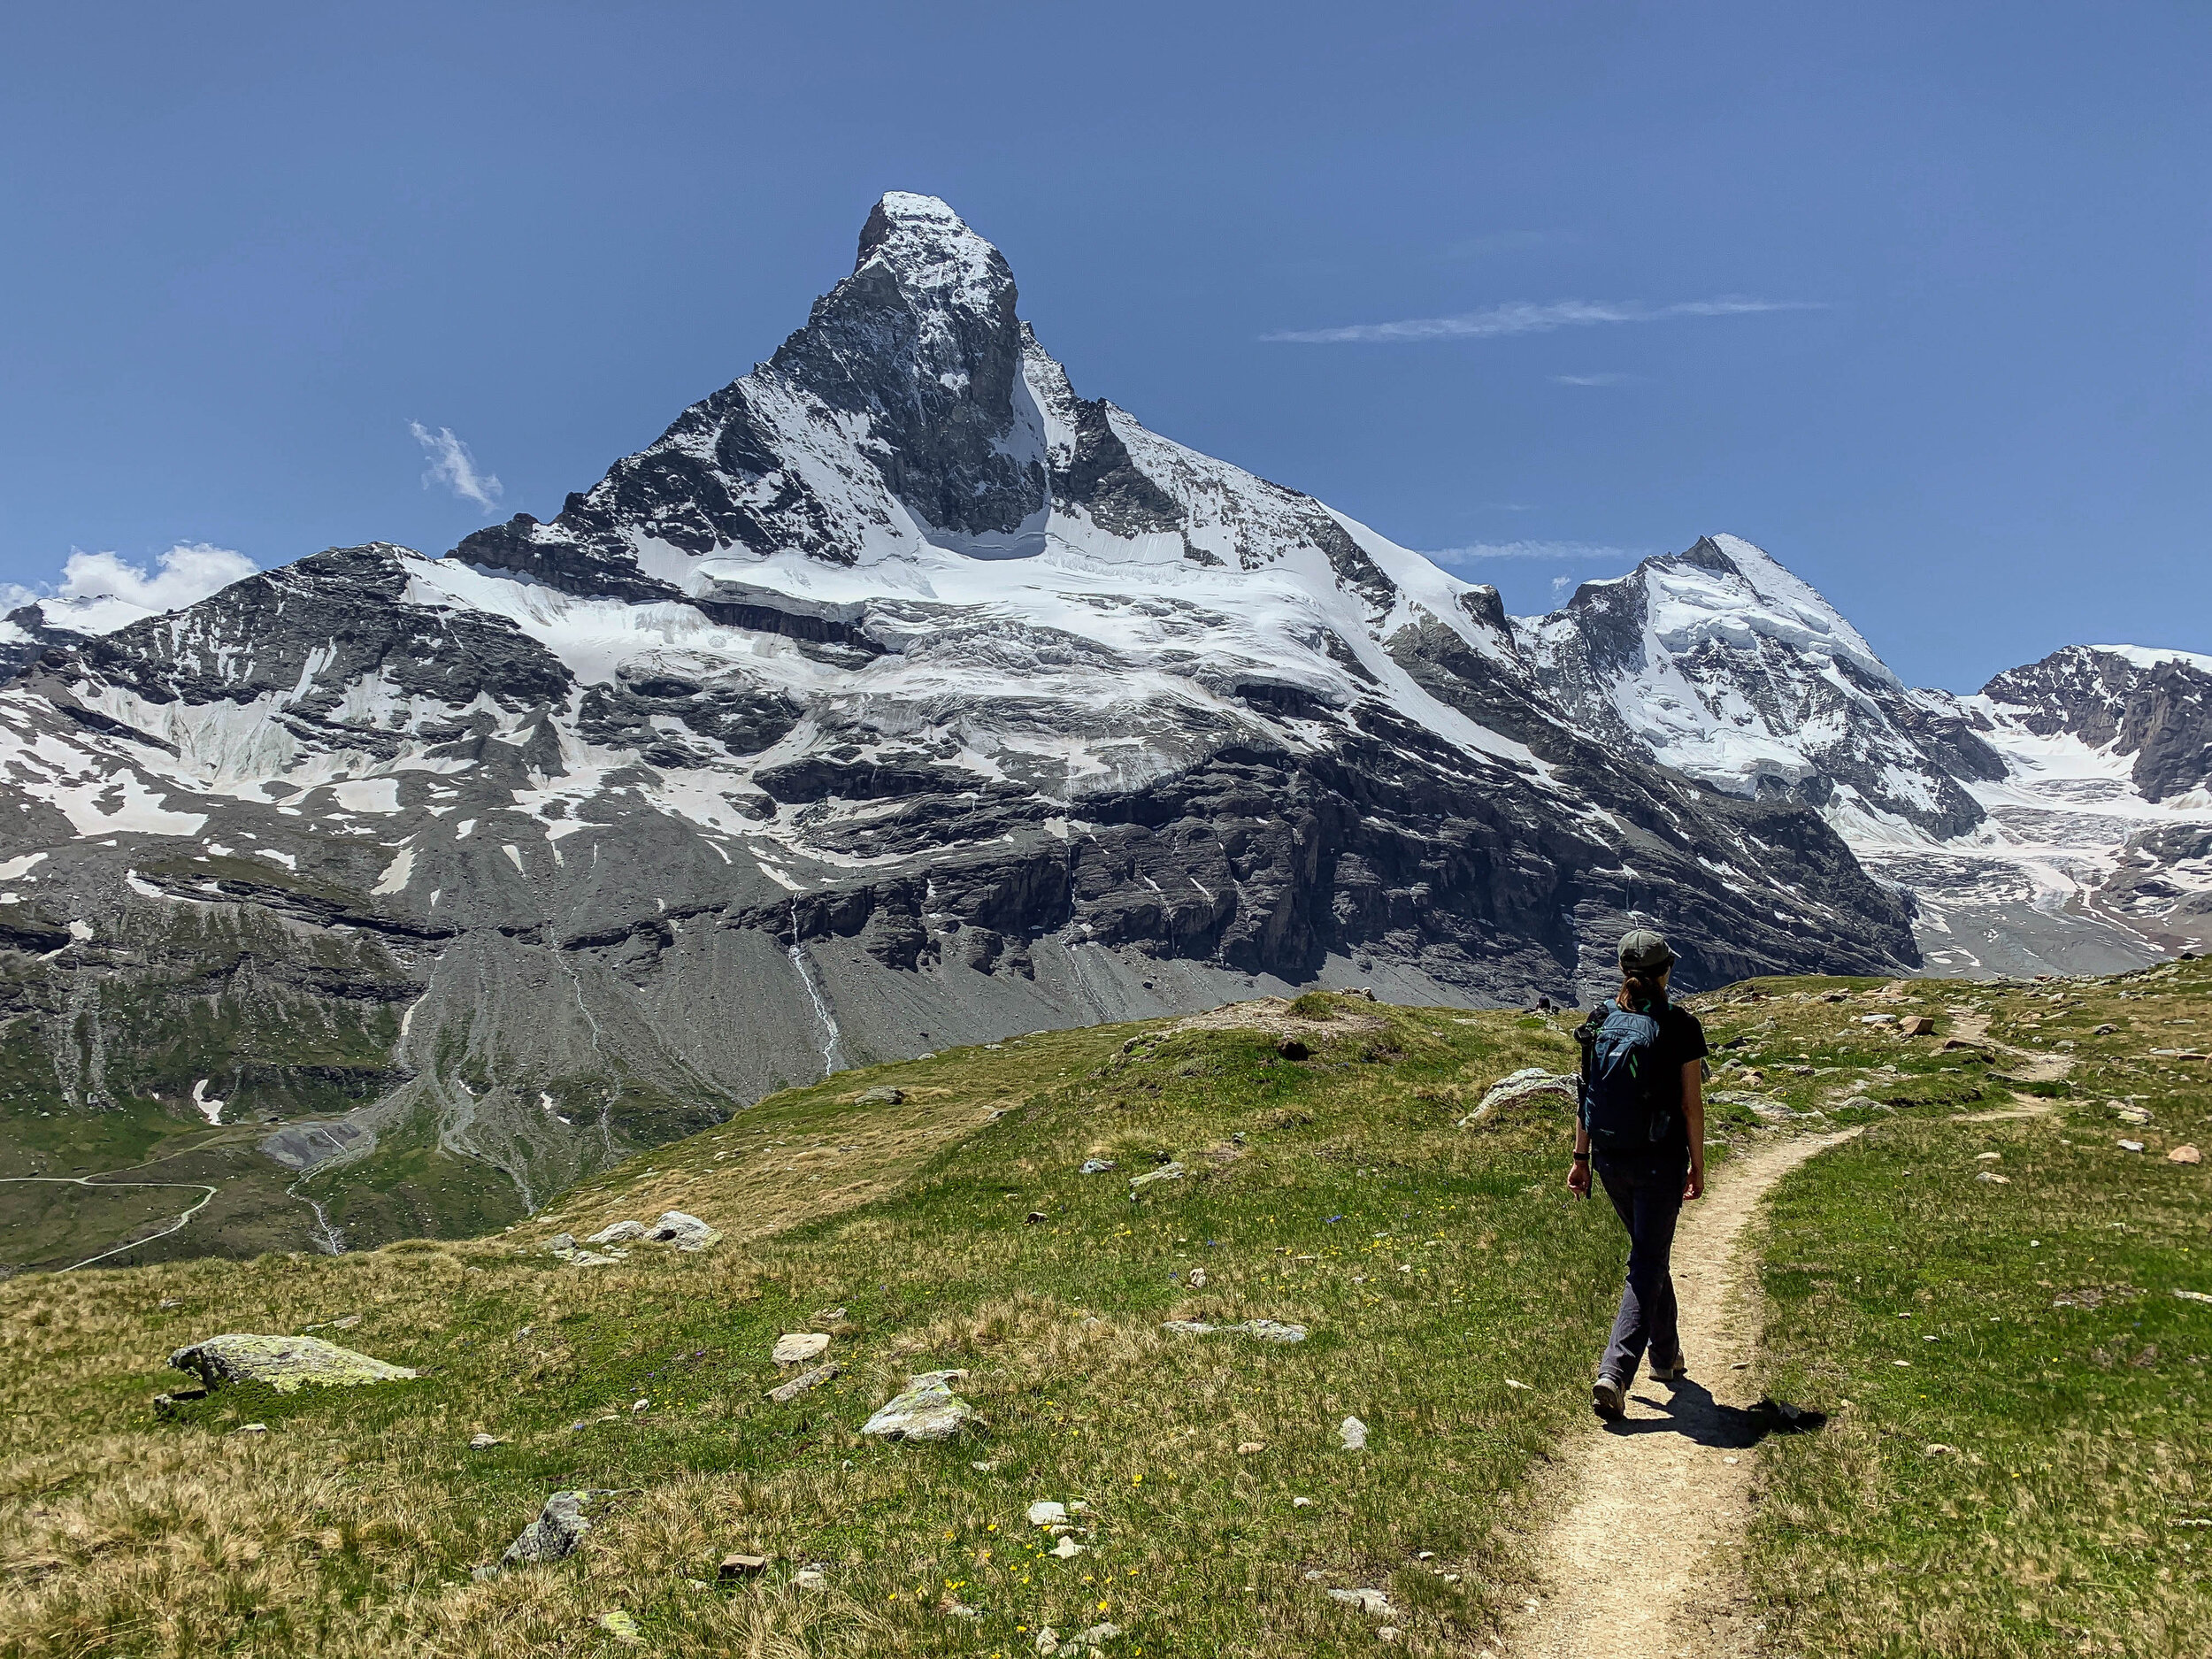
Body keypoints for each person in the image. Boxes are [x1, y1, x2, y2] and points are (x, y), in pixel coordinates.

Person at [1566, 927, 1708, 1419]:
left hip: (1609, 1158)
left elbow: (1587, 1095)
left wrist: (1581, 1158)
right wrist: (1698, 1165)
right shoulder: (1680, 1025)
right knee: (1647, 1262)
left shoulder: (1601, 1019)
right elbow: (1692, 1107)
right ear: (1666, 971)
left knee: (1651, 1252)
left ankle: (1666, 1357)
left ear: (1624, 971)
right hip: (1659, 1159)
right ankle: (1615, 1371)